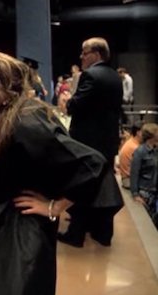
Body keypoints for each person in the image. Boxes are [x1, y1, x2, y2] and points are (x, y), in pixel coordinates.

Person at [0, 51, 105, 295]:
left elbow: (93, 164)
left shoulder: (26, 123)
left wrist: (54, 206)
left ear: (6, 93)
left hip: (19, 242)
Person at [61, 37, 124, 247]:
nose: (81, 57)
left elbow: (75, 106)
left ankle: (76, 234)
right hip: (107, 142)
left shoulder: (90, 75)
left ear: (96, 54)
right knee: (102, 187)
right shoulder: (115, 76)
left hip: (87, 143)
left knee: (82, 186)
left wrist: (67, 101)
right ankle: (101, 232)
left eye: (84, 52)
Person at [130, 123, 158, 219]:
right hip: (144, 192)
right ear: (152, 135)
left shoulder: (156, 150)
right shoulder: (140, 151)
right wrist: (135, 194)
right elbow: (134, 173)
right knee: (146, 220)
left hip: (154, 192)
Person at [118, 121, 143, 189]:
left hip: (128, 177)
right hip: (128, 180)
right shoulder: (134, 147)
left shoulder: (132, 141)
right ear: (138, 132)